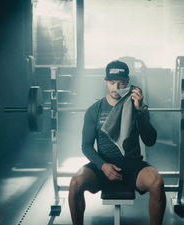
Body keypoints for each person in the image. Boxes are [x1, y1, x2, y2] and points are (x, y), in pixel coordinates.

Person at [68, 60, 166, 225]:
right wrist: (103, 165)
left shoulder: (138, 107)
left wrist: (139, 110)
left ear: (127, 83)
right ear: (106, 82)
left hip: (132, 166)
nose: (116, 88)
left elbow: (150, 141)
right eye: (112, 83)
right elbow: (86, 146)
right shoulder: (95, 110)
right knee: (75, 183)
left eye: (121, 83)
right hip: (103, 166)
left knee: (157, 182)